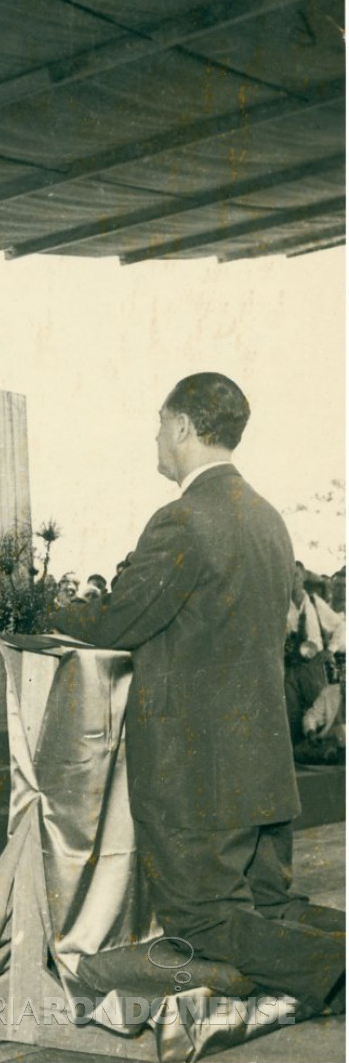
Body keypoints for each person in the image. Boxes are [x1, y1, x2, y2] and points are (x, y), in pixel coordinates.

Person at [51, 372, 344, 1017]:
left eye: (160, 424)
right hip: (264, 768)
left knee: (207, 923)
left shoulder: (183, 519)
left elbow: (114, 624)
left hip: (201, 778)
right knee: (272, 908)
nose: (156, 437)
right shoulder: (268, 518)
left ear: (182, 427)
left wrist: (51, 612)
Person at [285, 561, 346, 751]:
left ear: (302, 577)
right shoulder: (280, 605)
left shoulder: (314, 602)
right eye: (288, 575)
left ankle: (324, 751)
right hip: (290, 667)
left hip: (313, 666)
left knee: (319, 708)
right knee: (292, 714)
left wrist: (330, 650)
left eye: (295, 575)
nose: (292, 580)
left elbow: (340, 626)